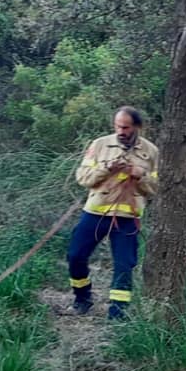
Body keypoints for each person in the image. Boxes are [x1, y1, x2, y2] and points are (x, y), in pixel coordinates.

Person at [67, 106, 159, 320]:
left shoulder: (151, 151)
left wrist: (140, 175)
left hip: (128, 218)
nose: (121, 131)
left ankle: (117, 314)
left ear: (137, 127)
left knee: (124, 264)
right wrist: (107, 168)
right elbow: (82, 178)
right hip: (96, 212)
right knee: (75, 256)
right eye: (118, 126)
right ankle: (82, 298)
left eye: (125, 127)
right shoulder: (99, 145)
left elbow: (154, 188)